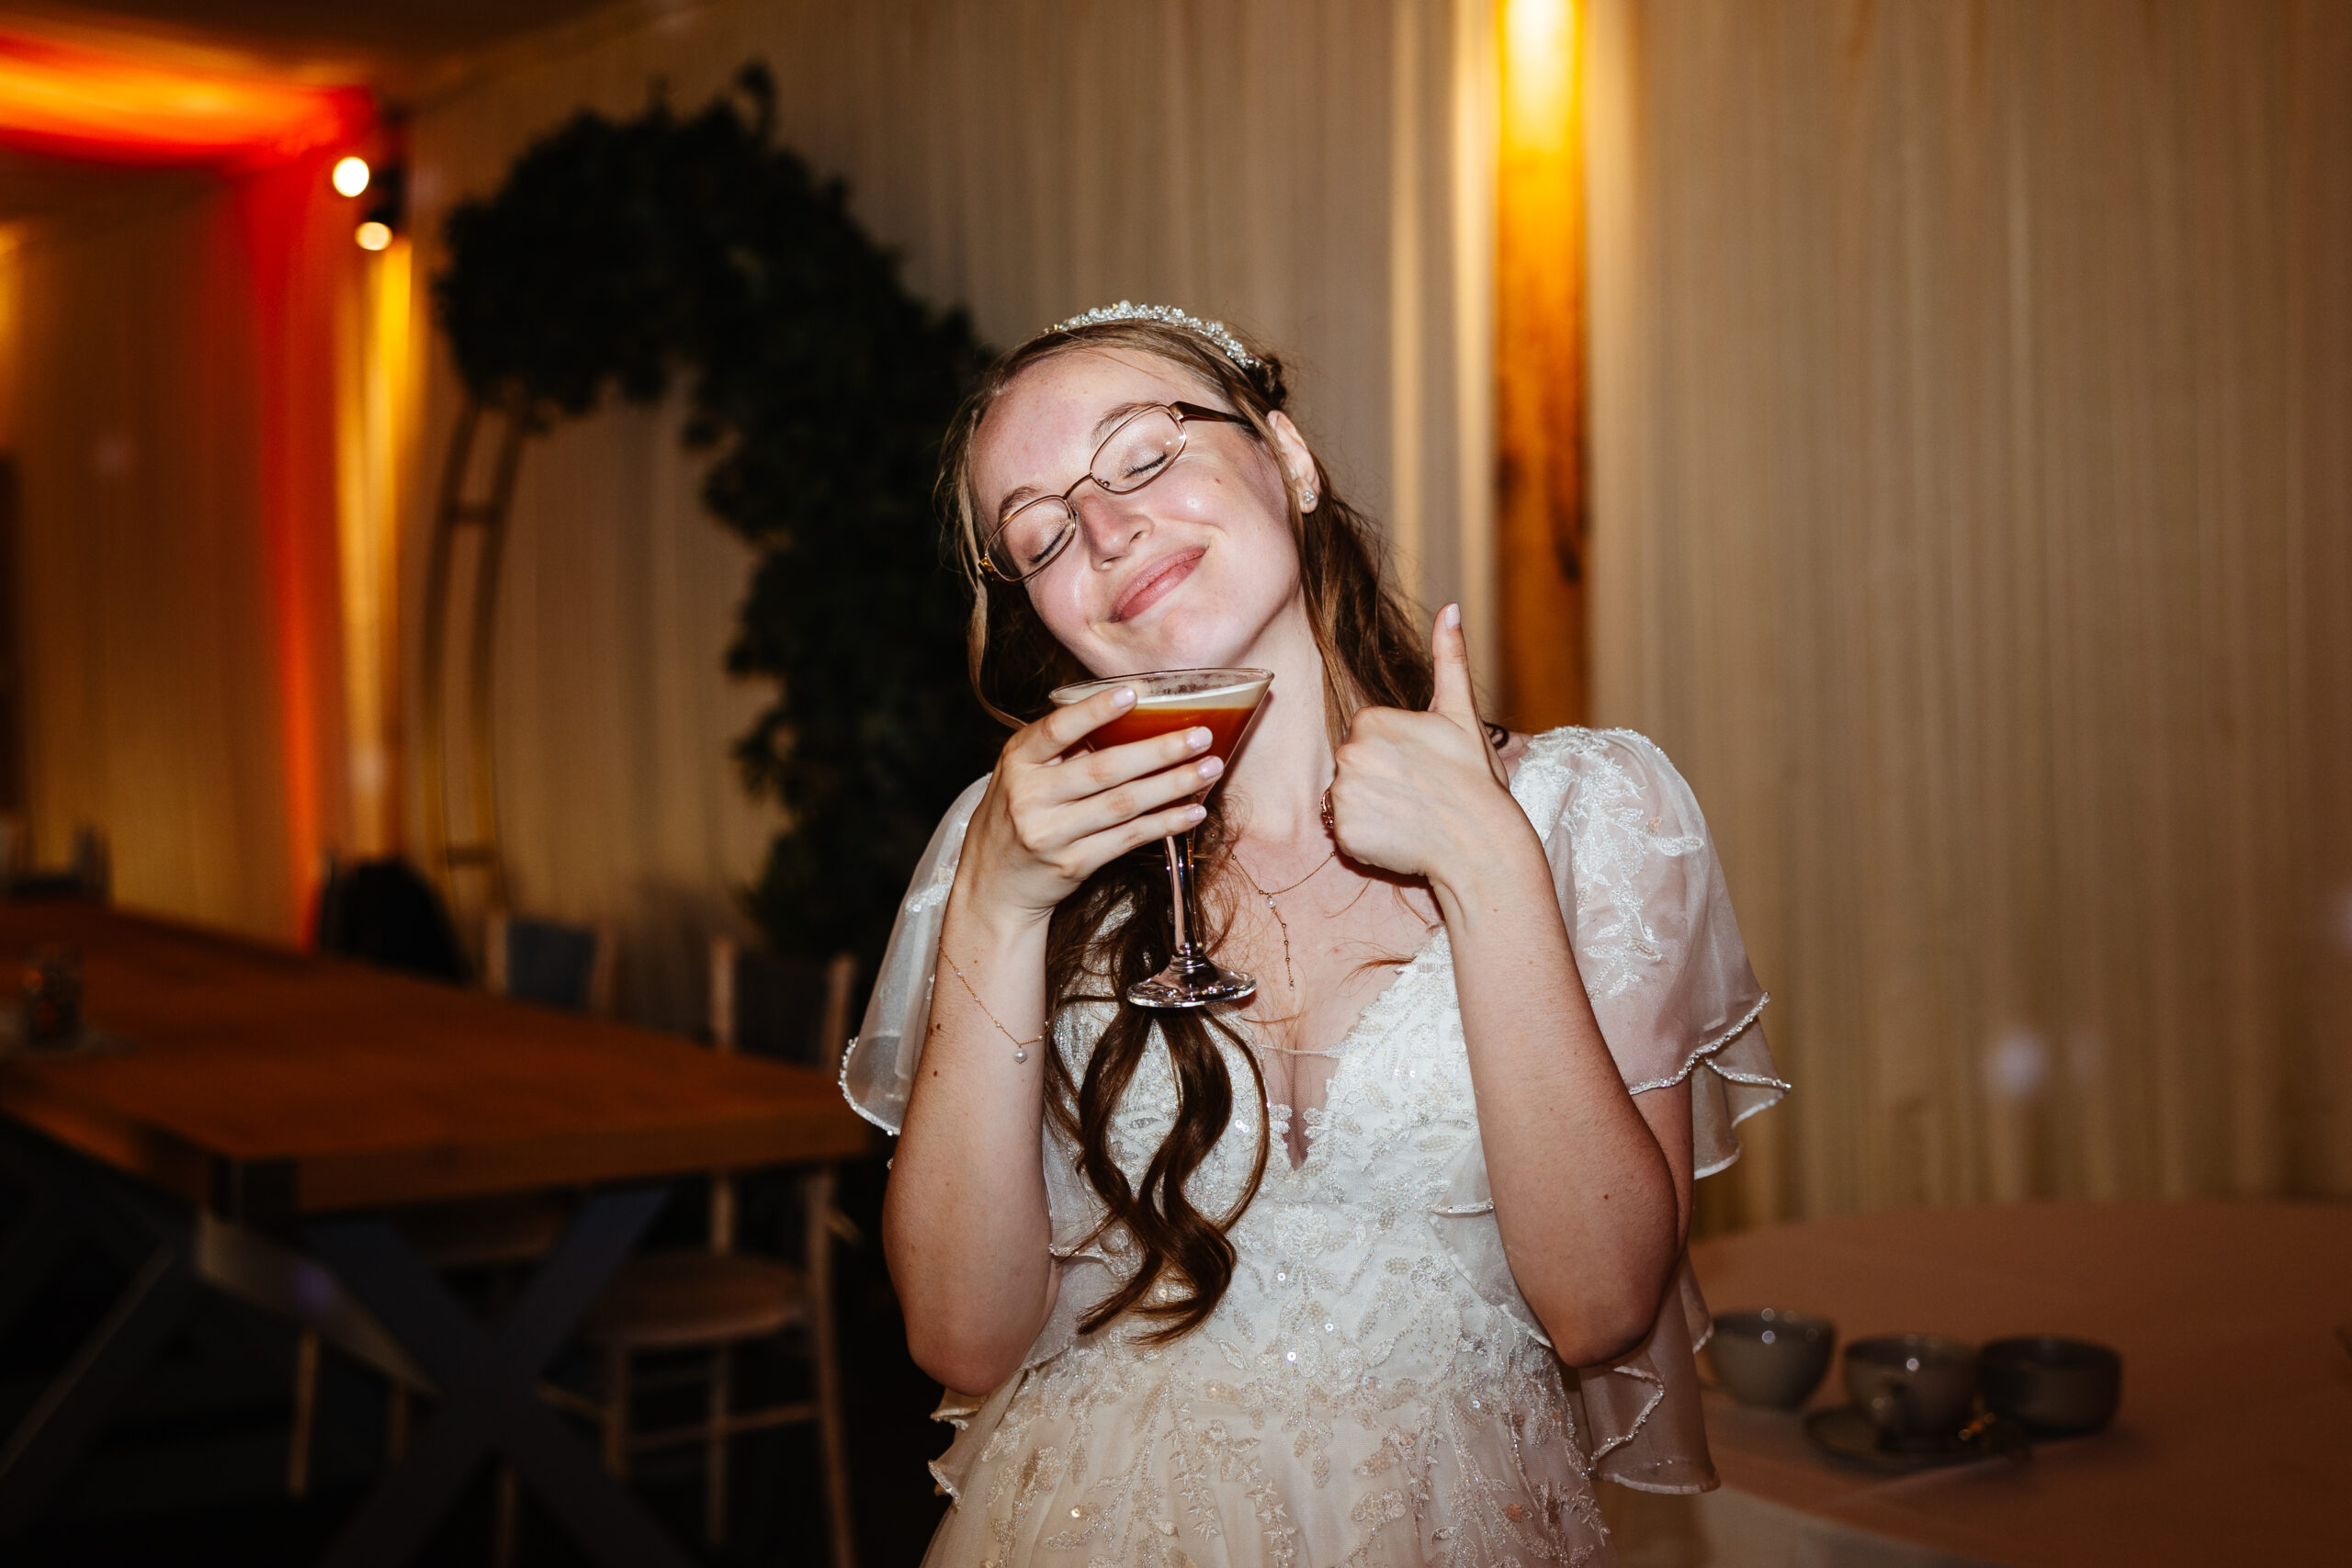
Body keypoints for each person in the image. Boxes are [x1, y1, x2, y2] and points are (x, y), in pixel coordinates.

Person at [840, 302, 1786, 1566]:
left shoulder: (1586, 811)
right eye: (1044, 531)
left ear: (1287, 459)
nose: (1107, 531)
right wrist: (1002, 905)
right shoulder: (1006, 844)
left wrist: (1489, 869)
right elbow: (959, 1338)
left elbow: (1603, 1308)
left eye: (1143, 455)